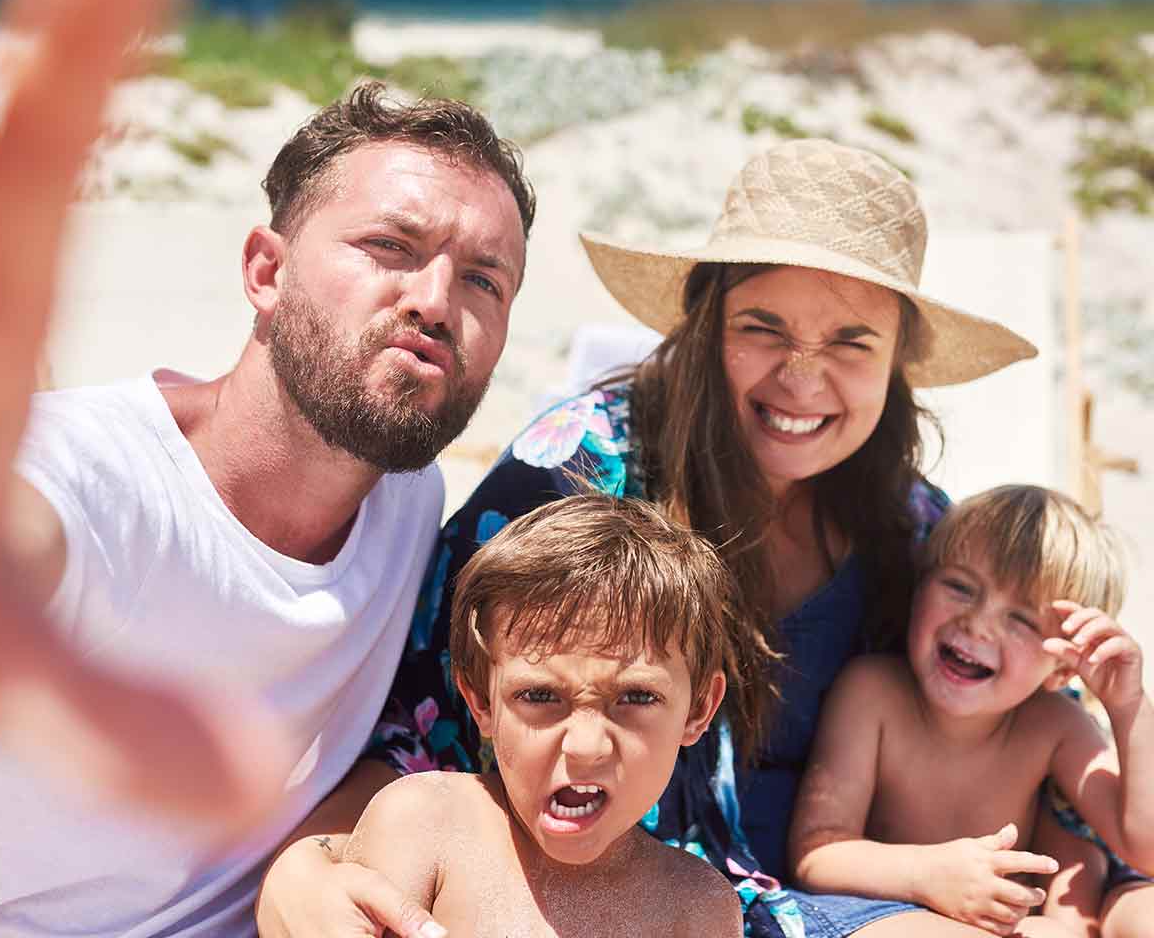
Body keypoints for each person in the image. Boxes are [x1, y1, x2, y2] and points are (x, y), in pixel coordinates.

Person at [259, 137, 1149, 938]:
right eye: (764, 328)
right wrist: (305, 863)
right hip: (621, 893)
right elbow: (429, 719)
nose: (803, 377)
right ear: (706, 326)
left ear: (896, 367)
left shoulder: (915, 531)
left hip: (819, 893)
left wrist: (1108, 892)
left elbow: (1042, 734)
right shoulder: (580, 468)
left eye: (851, 343)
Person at [0, 0, 537, 934]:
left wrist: (315, 859)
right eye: (388, 248)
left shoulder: (409, 506)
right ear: (264, 271)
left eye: (484, 280)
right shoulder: (87, 480)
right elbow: (3, 540)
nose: (435, 301)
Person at [345, 492, 743, 937]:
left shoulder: (695, 910)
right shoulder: (425, 827)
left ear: (700, 708)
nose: (586, 747)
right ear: (480, 700)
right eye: (539, 695)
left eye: (635, 698)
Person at [787, 485, 1154, 936]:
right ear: (918, 588)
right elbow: (816, 854)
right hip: (899, 916)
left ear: (1061, 668)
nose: (977, 623)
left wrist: (1128, 706)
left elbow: (1145, 848)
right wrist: (926, 874)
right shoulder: (872, 694)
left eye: (1021, 619)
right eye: (959, 587)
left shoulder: (1054, 723)